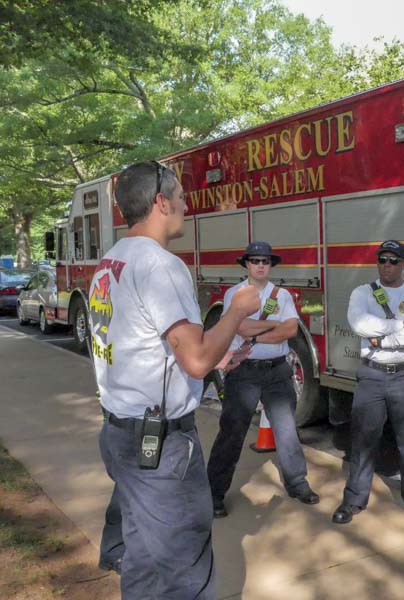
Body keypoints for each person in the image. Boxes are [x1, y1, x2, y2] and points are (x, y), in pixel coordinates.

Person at [88, 161, 260, 598]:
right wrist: (237, 311)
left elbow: (145, 347)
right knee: (186, 569)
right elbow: (197, 359)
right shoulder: (161, 265)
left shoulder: (112, 260)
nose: (186, 203)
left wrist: (214, 360)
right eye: (181, 195)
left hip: (121, 434)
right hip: (160, 448)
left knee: (143, 557)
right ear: (161, 202)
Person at [206, 241, 319, 518]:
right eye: (255, 260)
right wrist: (272, 324)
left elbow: (290, 329)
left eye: (265, 261)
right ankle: (214, 493)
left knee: (287, 430)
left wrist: (256, 333)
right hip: (244, 372)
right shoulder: (235, 293)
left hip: (278, 372)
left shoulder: (281, 295)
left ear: (271, 265)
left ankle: (297, 483)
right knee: (231, 432)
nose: (260, 265)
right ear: (246, 264)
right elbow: (240, 326)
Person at [332, 240, 404, 526]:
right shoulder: (362, 293)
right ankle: (353, 500)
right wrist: (401, 325)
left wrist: (383, 338)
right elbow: (358, 324)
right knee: (363, 440)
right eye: (382, 260)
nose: (386, 265)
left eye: (393, 260)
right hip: (372, 375)